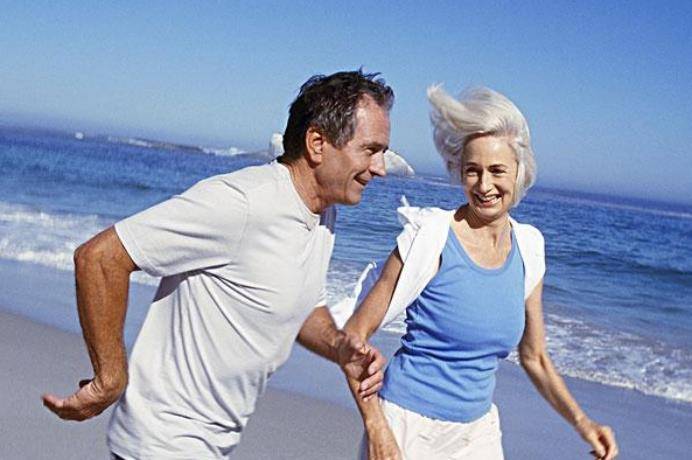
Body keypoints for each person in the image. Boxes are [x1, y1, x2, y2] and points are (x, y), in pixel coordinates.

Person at [42, 70, 394, 459]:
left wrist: (340, 347)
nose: (381, 167)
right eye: (370, 149)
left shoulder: (322, 213)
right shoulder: (242, 203)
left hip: (210, 444)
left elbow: (299, 300)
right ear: (317, 143)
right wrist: (110, 377)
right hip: (164, 442)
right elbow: (101, 258)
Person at [337, 86, 619, 459]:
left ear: (519, 172)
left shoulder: (530, 247)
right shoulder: (431, 236)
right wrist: (377, 429)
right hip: (406, 426)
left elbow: (534, 357)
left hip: (477, 433)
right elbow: (354, 336)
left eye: (497, 170)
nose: (484, 186)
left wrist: (584, 424)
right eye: (473, 171)